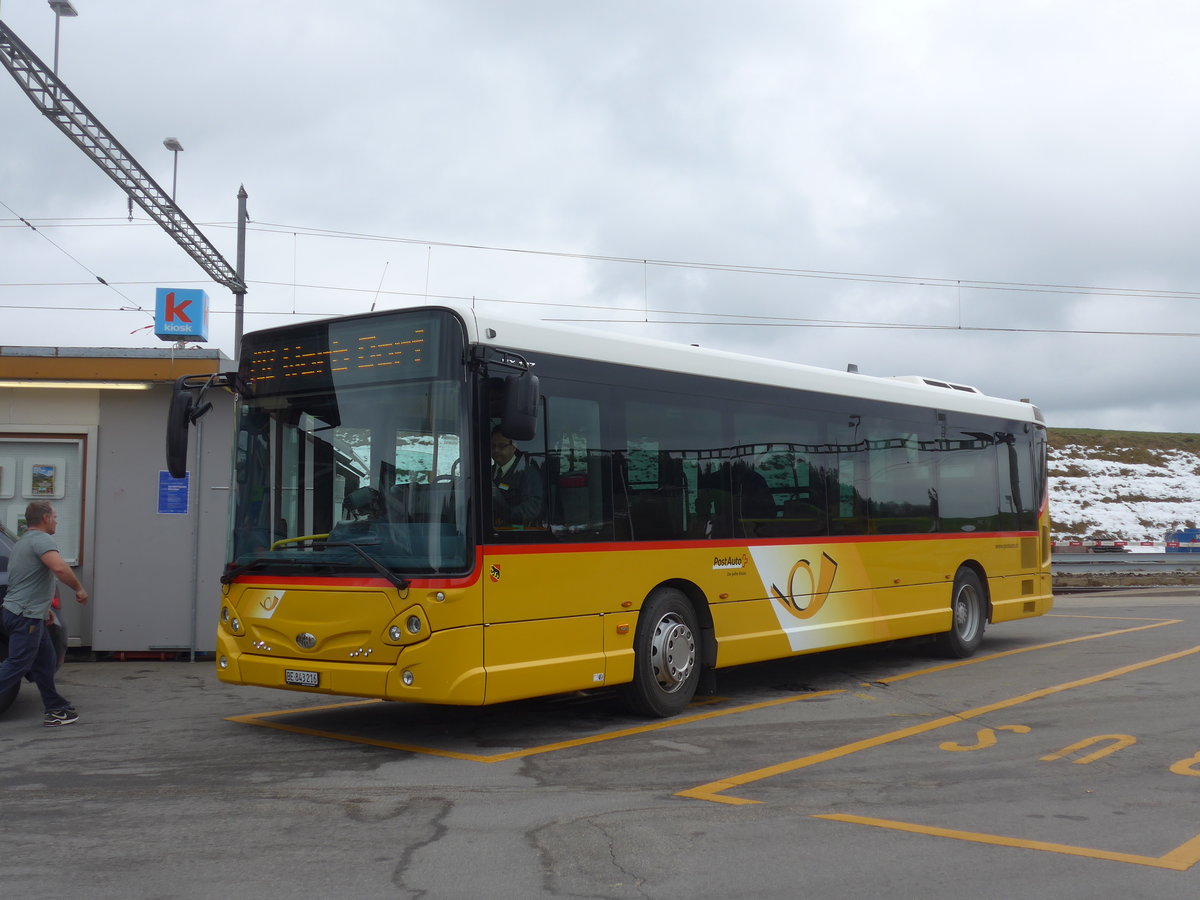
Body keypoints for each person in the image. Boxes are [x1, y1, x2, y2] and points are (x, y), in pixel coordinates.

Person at [0, 501, 89, 726]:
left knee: (45, 663)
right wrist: (78, 588)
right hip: (25, 616)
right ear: (46, 518)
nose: (57, 521)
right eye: (55, 517)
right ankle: (55, 708)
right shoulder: (42, 540)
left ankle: (55, 709)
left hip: (27, 613)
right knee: (18, 663)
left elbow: (24, 580)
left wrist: (44, 609)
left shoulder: (22, 543)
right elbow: (59, 567)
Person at [489, 426, 544, 527]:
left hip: (516, 533)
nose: (496, 450)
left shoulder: (527, 473)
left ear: (514, 447)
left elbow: (532, 508)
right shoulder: (487, 473)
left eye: (501, 446)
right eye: (492, 446)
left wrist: (506, 514)